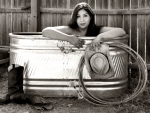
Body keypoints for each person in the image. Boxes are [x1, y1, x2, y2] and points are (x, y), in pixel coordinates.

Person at [42, 2, 126, 48]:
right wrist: (69, 38)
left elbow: (121, 31)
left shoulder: (97, 30)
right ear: (75, 18)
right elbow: (46, 31)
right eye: (78, 16)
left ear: (91, 17)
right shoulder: (71, 30)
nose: (82, 20)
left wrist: (100, 37)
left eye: (85, 16)